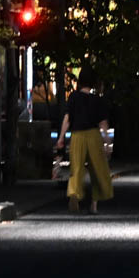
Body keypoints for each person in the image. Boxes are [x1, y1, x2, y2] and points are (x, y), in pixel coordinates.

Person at [55, 66, 113, 214]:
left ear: (80, 81)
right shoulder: (97, 100)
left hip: (77, 135)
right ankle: (94, 204)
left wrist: (61, 137)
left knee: (76, 169)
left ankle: (74, 194)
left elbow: (67, 119)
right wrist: (107, 143)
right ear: (93, 82)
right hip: (93, 135)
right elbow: (103, 124)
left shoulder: (73, 97)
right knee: (98, 169)